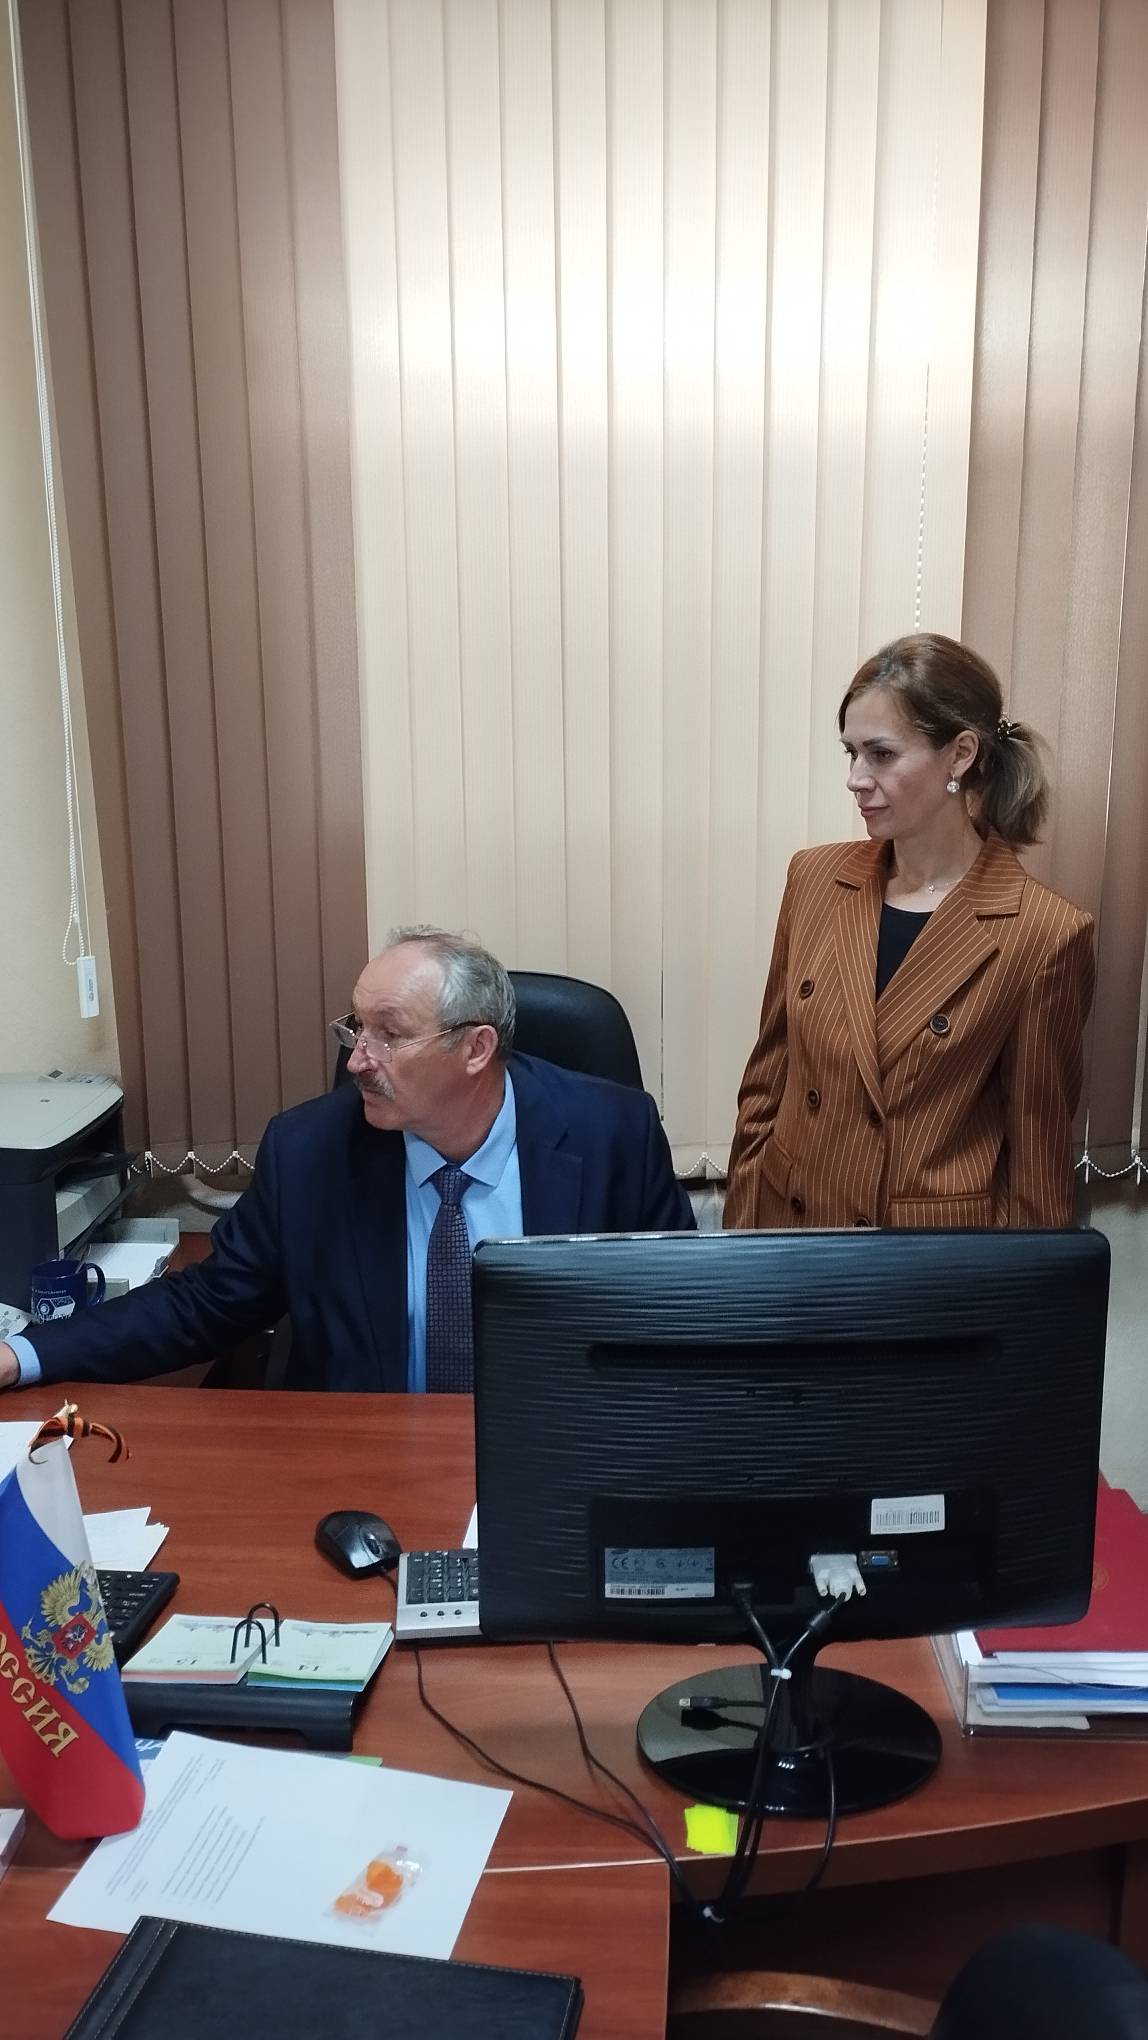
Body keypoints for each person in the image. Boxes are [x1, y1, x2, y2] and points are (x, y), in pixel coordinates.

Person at [0, 929, 693, 1393]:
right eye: (357, 1027)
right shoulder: (309, 1150)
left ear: (476, 1049)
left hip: (563, 1453)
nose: (358, 1059)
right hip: (368, 1455)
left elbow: (677, 1310)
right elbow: (205, 1304)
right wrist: (24, 1354)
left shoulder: (613, 1133)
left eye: (389, 1034)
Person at [724, 633, 1094, 1234]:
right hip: (789, 1233)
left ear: (960, 755)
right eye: (851, 753)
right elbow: (767, 1081)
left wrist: (1016, 1289)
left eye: (881, 754)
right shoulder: (814, 879)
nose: (855, 778)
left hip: (924, 1258)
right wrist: (742, 1239)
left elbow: (1037, 1164)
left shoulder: (1043, 934)